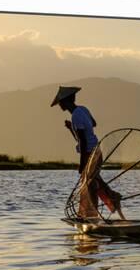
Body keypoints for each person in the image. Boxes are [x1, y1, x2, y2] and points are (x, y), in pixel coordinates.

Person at [51, 86, 125, 220]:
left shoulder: (75, 116)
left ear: (66, 101)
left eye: (61, 102)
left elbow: (83, 142)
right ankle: (112, 198)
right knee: (94, 180)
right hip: (96, 150)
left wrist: (82, 164)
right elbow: (93, 125)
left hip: (90, 153)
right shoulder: (82, 110)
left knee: (90, 184)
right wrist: (72, 128)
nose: (60, 105)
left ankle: (92, 215)